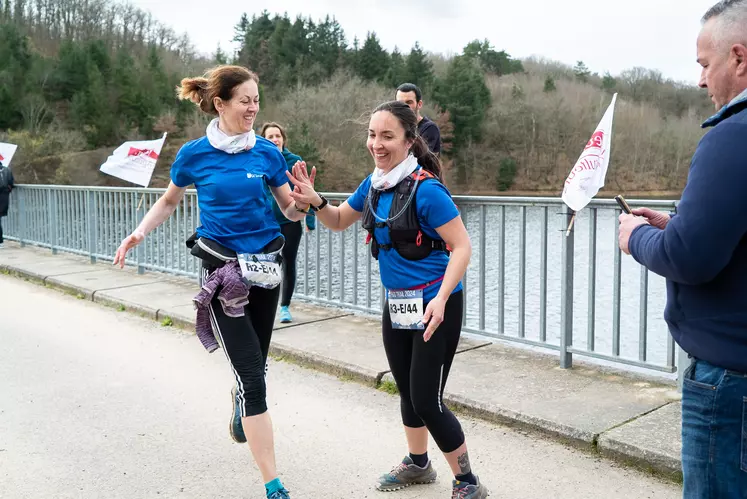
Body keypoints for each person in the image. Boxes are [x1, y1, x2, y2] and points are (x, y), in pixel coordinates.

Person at [112, 65, 310, 499]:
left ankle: (242, 400)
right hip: (223, 275)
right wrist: (138, 232)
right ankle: (273, 484)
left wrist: (305, 203)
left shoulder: (267, 153)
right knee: (254, 381)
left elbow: (288, 210)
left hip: (265, 270)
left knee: (256, 365)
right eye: (245, 100)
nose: (253, 108)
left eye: (257, 100)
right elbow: (168, 201)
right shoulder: (194, 154)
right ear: (220, 104)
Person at [288, 101, 488, 498]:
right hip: (399, 304)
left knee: (427, 400)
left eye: (387, 136)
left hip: (436, 306)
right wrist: (316, 201)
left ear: (410, 141)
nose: (376, 144)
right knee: (407, 391)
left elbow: (462, 247)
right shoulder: (375, 183)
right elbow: (341, 219)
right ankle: (418, 464)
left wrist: (442, 298)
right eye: (372, 135)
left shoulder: (427, 190)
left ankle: (468, 482)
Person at [618, 1, 747, 496]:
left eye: (703, 64)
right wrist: (676, 226)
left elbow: (690, 258)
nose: (699, 81)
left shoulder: (732, 135)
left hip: (730, 381)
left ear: (738, 57)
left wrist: (638, 237)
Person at [259, 122, 316, 323]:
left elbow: (306, 192)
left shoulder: (294, 161)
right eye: (270, 137)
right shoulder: (259, 161)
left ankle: (284, 306)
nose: (275, 140)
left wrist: (310, 219)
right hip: (266, 224)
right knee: (267, 263)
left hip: (290, 222)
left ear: (283, 138)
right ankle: (266, 304)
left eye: (278, 136)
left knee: (288, 262)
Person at [395, 83, 441, 155]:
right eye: (400, 103)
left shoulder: (429, 128)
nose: (404, 106)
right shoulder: (394, 127)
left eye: (409, 102)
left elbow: (418, 159)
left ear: (419, 104)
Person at [0, 161, 14, 249]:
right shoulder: (7, 170)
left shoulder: (6, 170)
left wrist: (7, 190)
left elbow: (10, 183)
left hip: (3, 197)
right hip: (4, 197)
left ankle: (0, 241)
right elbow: (10, 184)